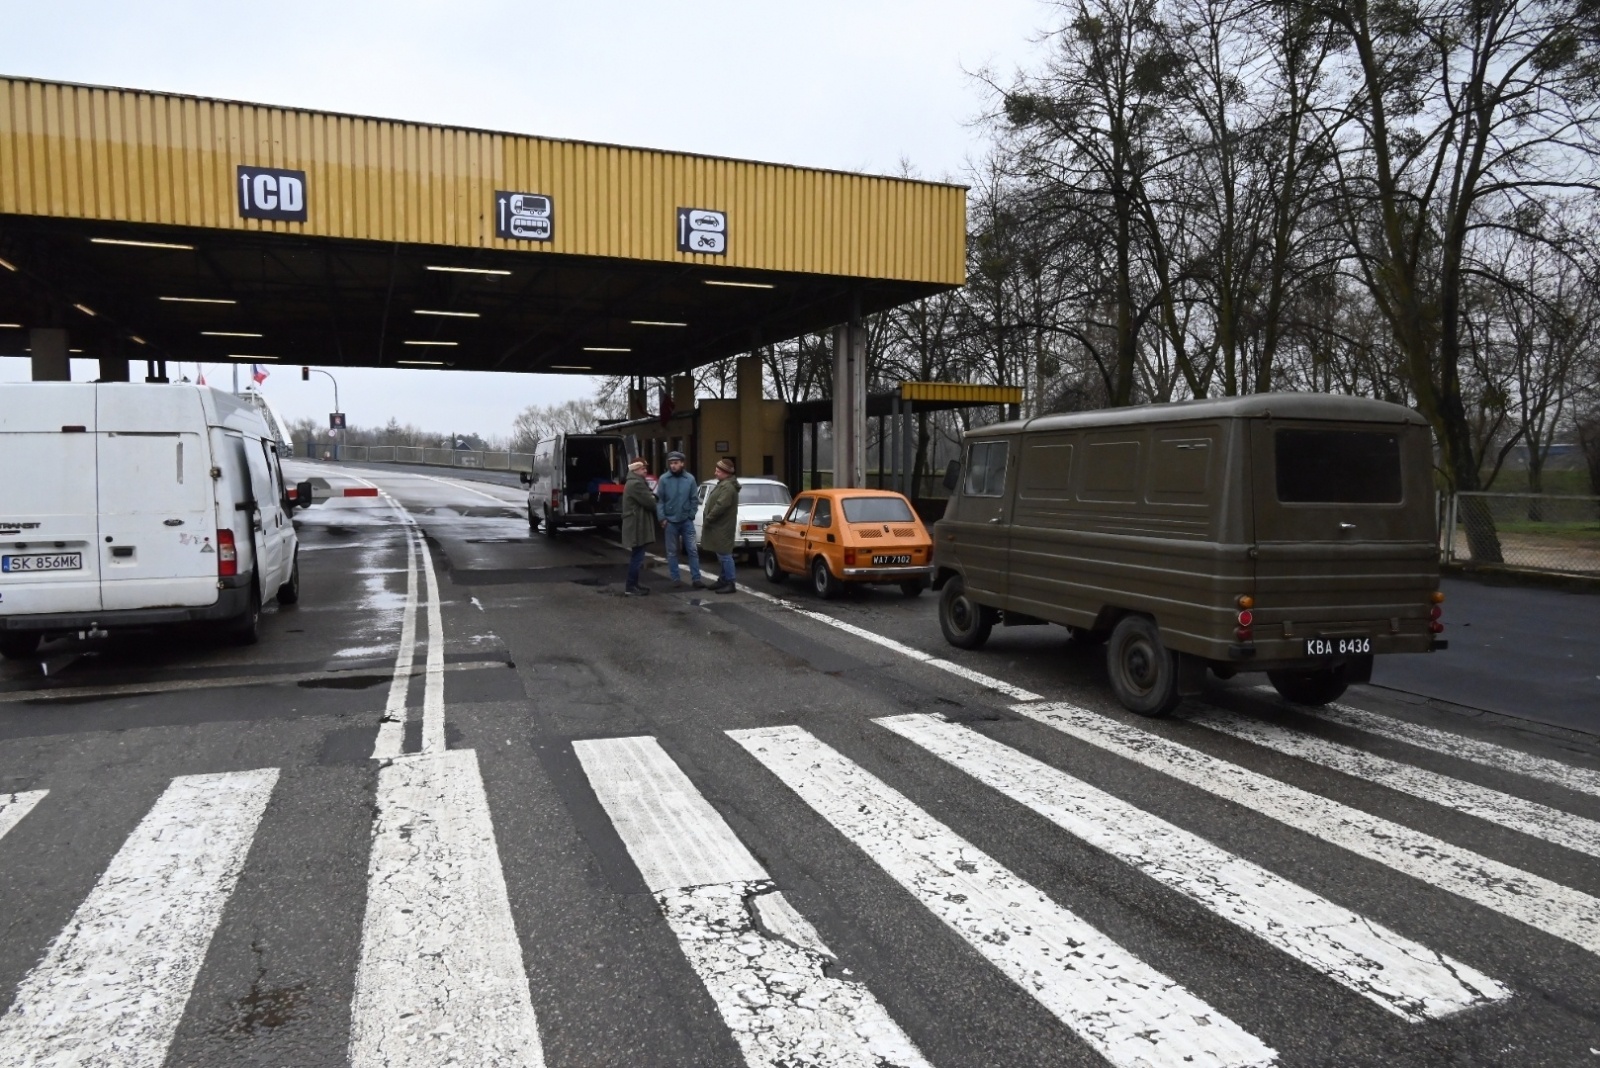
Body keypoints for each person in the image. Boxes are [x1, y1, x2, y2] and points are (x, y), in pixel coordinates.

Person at [654, 450, 704, 589]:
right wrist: (662, 518)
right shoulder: (664, 479)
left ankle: (696, 579)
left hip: (686, 520)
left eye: (676, 463)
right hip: (670, 521)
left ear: (682, 463)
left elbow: (694, 499)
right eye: (671, 463)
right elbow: (660, 500)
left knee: (692, 550)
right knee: (671, 551)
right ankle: (675, 578)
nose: (673, 466)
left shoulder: (690, 479)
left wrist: (691, 515)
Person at [699, 458, 741, 593]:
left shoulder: (727, 487)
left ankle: (730, 582)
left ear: (725, 472)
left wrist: (709, 518)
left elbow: (721, 505)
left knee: (725, 555)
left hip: (722, 526)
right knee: (721, 553)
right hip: (719, 526)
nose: (715, 473)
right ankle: (723, 580)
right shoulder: (724, 484)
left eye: (718, 471)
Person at [621, 458, 657, 596]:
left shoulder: (634, 482)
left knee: (637, 555)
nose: (645, 471)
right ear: (635, 470)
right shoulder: (636, 484)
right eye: (643, 469)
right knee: (637, 557)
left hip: (637, 523)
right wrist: (654, 498)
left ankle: (634, 585)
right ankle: (631, 586)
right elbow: (650, 502)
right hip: (637, 525)